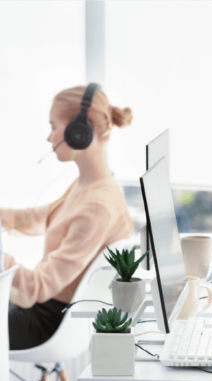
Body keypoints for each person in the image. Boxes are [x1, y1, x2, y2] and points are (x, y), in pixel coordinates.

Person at [2, 85, 135, 350]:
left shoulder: (96, 206)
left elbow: (37, 287)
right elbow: (39, 218)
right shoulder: (93, 185)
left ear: (80, 131)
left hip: (43, 322)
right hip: (40, 309)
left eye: (53, 126)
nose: (49, 137)